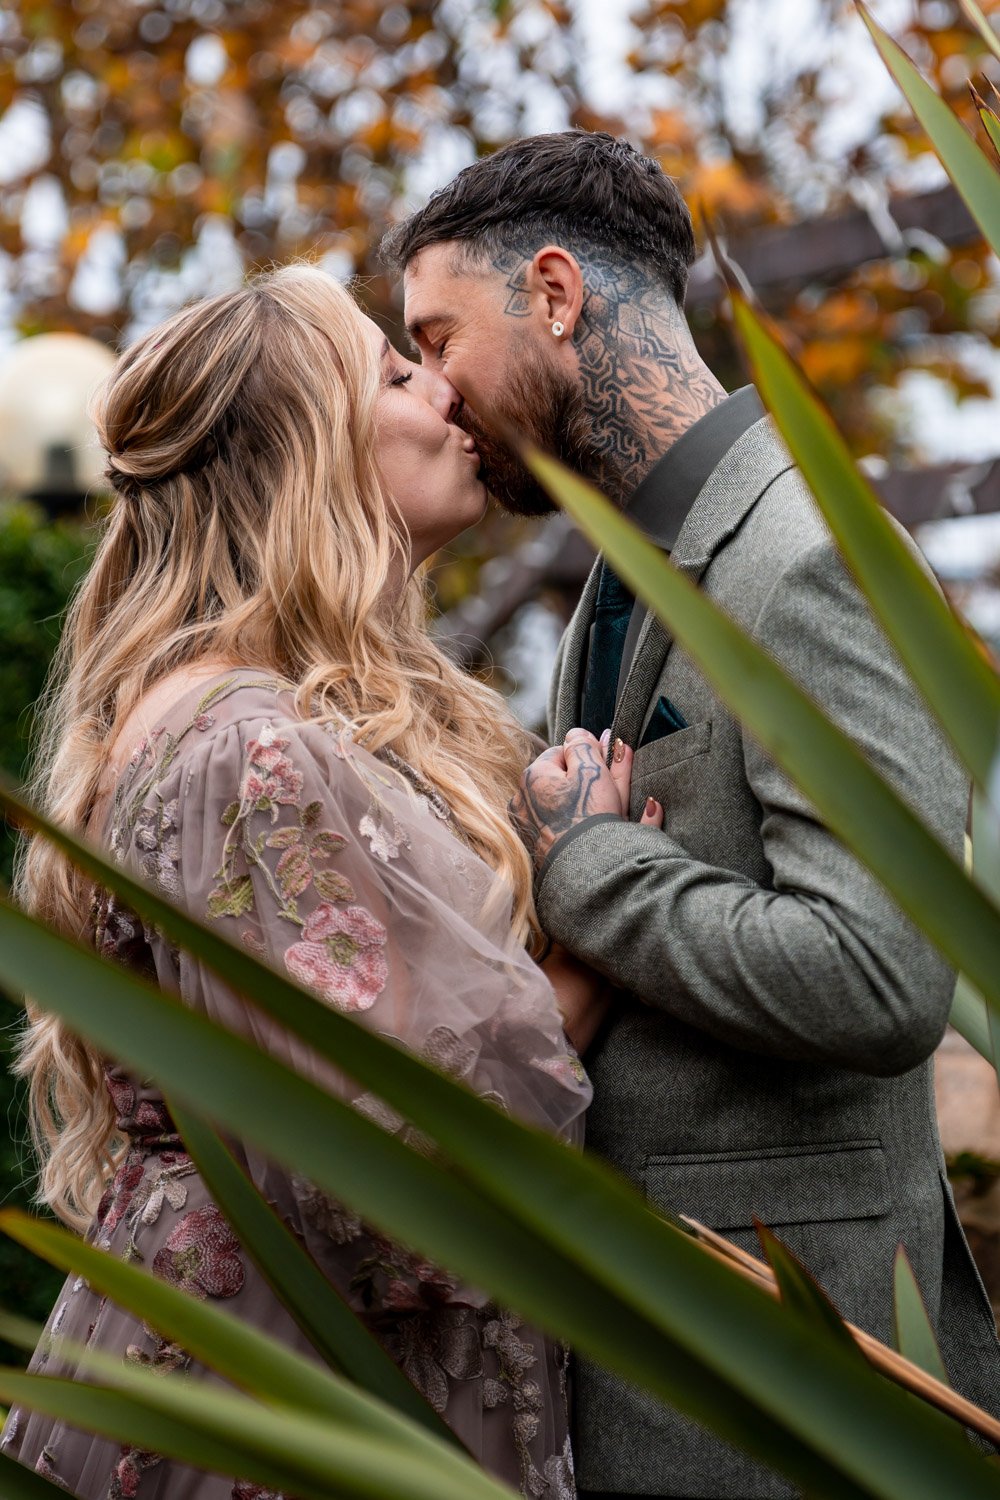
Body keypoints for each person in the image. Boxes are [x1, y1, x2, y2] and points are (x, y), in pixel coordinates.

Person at [383, 129, 999, 1499]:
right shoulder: (619, 576)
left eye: (437, 338)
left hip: (791, 1392)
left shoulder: (810, 557)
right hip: (659, 1359)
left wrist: (587, 866)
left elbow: (880, 974)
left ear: (553, 294)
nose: (434, 390)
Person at [2, 263, 613, 1499]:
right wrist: (602, 925)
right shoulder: (248, 743)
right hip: (283, 1405)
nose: (443, 391)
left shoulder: (267, 719)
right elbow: (397, 1174)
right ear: (304, 451)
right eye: (393, 374)